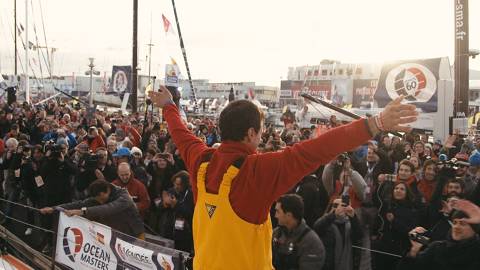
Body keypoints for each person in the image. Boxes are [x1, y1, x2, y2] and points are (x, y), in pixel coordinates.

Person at [148, 86, 417, 269]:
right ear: (251, 133)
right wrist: (375, 124)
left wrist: (169, 106)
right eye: (262, 129)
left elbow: (180, 132)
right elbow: (315, 150)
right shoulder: (256, 171)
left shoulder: (201, 160)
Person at [40, 179, 145, 238]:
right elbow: (79, 204)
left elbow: (108, 208)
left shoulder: (124, 196)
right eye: (97, 199)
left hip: (134, 234)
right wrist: (54, 208)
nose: (99, 202)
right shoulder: (98, 195)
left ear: (107, 191)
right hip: (116, 235)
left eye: (101, 198)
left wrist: (83, 212)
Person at [397, 201, 480, 270]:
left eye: (462, 223)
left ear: (474, 229)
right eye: (454, 223)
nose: (456, 227)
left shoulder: (476, 252)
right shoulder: (437, 247)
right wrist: (414, 251)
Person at [273, 194, 325, 270]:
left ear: (288, 215)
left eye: (278, 212)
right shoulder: (276, 233)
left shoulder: (311, 243)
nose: (275, 215)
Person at [313, 198, 363, 270]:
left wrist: (353, 217)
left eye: (343, 205)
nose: (338, 208)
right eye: (335, 205)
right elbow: (317, 228)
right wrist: (333, 215)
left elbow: (359, 236)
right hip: (328, 266)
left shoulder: (351, 223)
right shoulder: (326, 221)